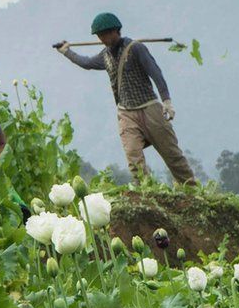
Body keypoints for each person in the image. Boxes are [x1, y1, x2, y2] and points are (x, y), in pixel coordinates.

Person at [54, 12, 197, 184]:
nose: (103, 38)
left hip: (150, 108)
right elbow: (86, 63)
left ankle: (191, 189)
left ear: (116, 31)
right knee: (133, 158)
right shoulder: (104, 56)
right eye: (100, 35)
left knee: (172, 156)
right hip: (126, 114)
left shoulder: (136, 48)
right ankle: (145, 194)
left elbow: (156, 73)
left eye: (106, 34)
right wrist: (66, 52)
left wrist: (166, 102)